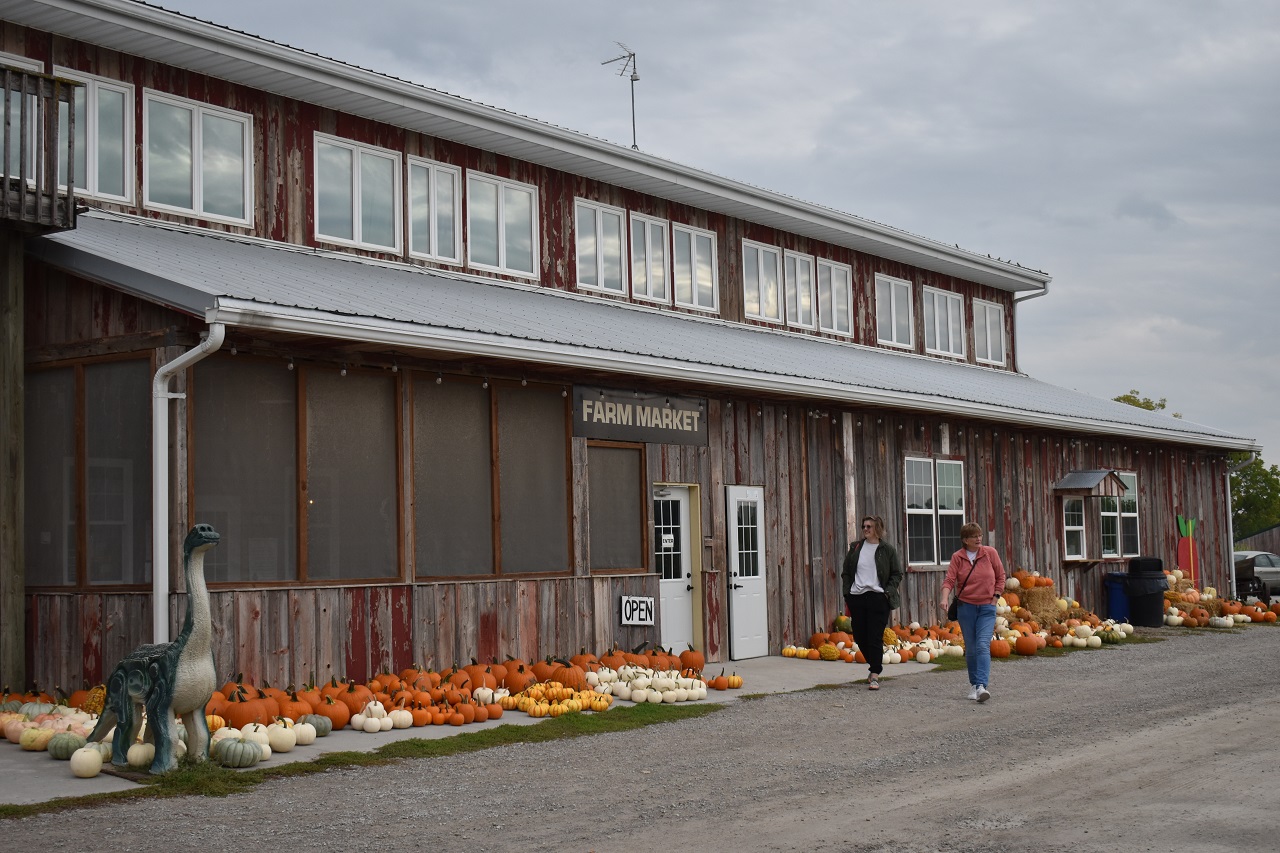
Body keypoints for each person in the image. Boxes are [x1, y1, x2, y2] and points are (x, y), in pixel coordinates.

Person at [939, 523, 1006, 703]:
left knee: (983, 645)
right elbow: (949, 580)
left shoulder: (989, 553)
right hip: (966, 607)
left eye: (980, 535)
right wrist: (944, 598)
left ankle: (981, 686)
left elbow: (1001, 576)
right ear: (965, 540)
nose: (978, 539)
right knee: (971, 647)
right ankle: (974, 684)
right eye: (974, 536)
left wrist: (995, 597)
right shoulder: (957, 557)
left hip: (987, 607)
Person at [840, 515, 904, 691]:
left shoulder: (887, 550)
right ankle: (874, 663)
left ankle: (875, 673)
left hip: (878, 598)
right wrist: (848, 593)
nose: (865, 529)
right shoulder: (856, 548)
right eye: (864, 526)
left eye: (869, 526)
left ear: (878, 529)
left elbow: (897, 574)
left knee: (875, 636)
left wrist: (887, 593)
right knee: (860, 636)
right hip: (857, 597)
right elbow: (846, 572)